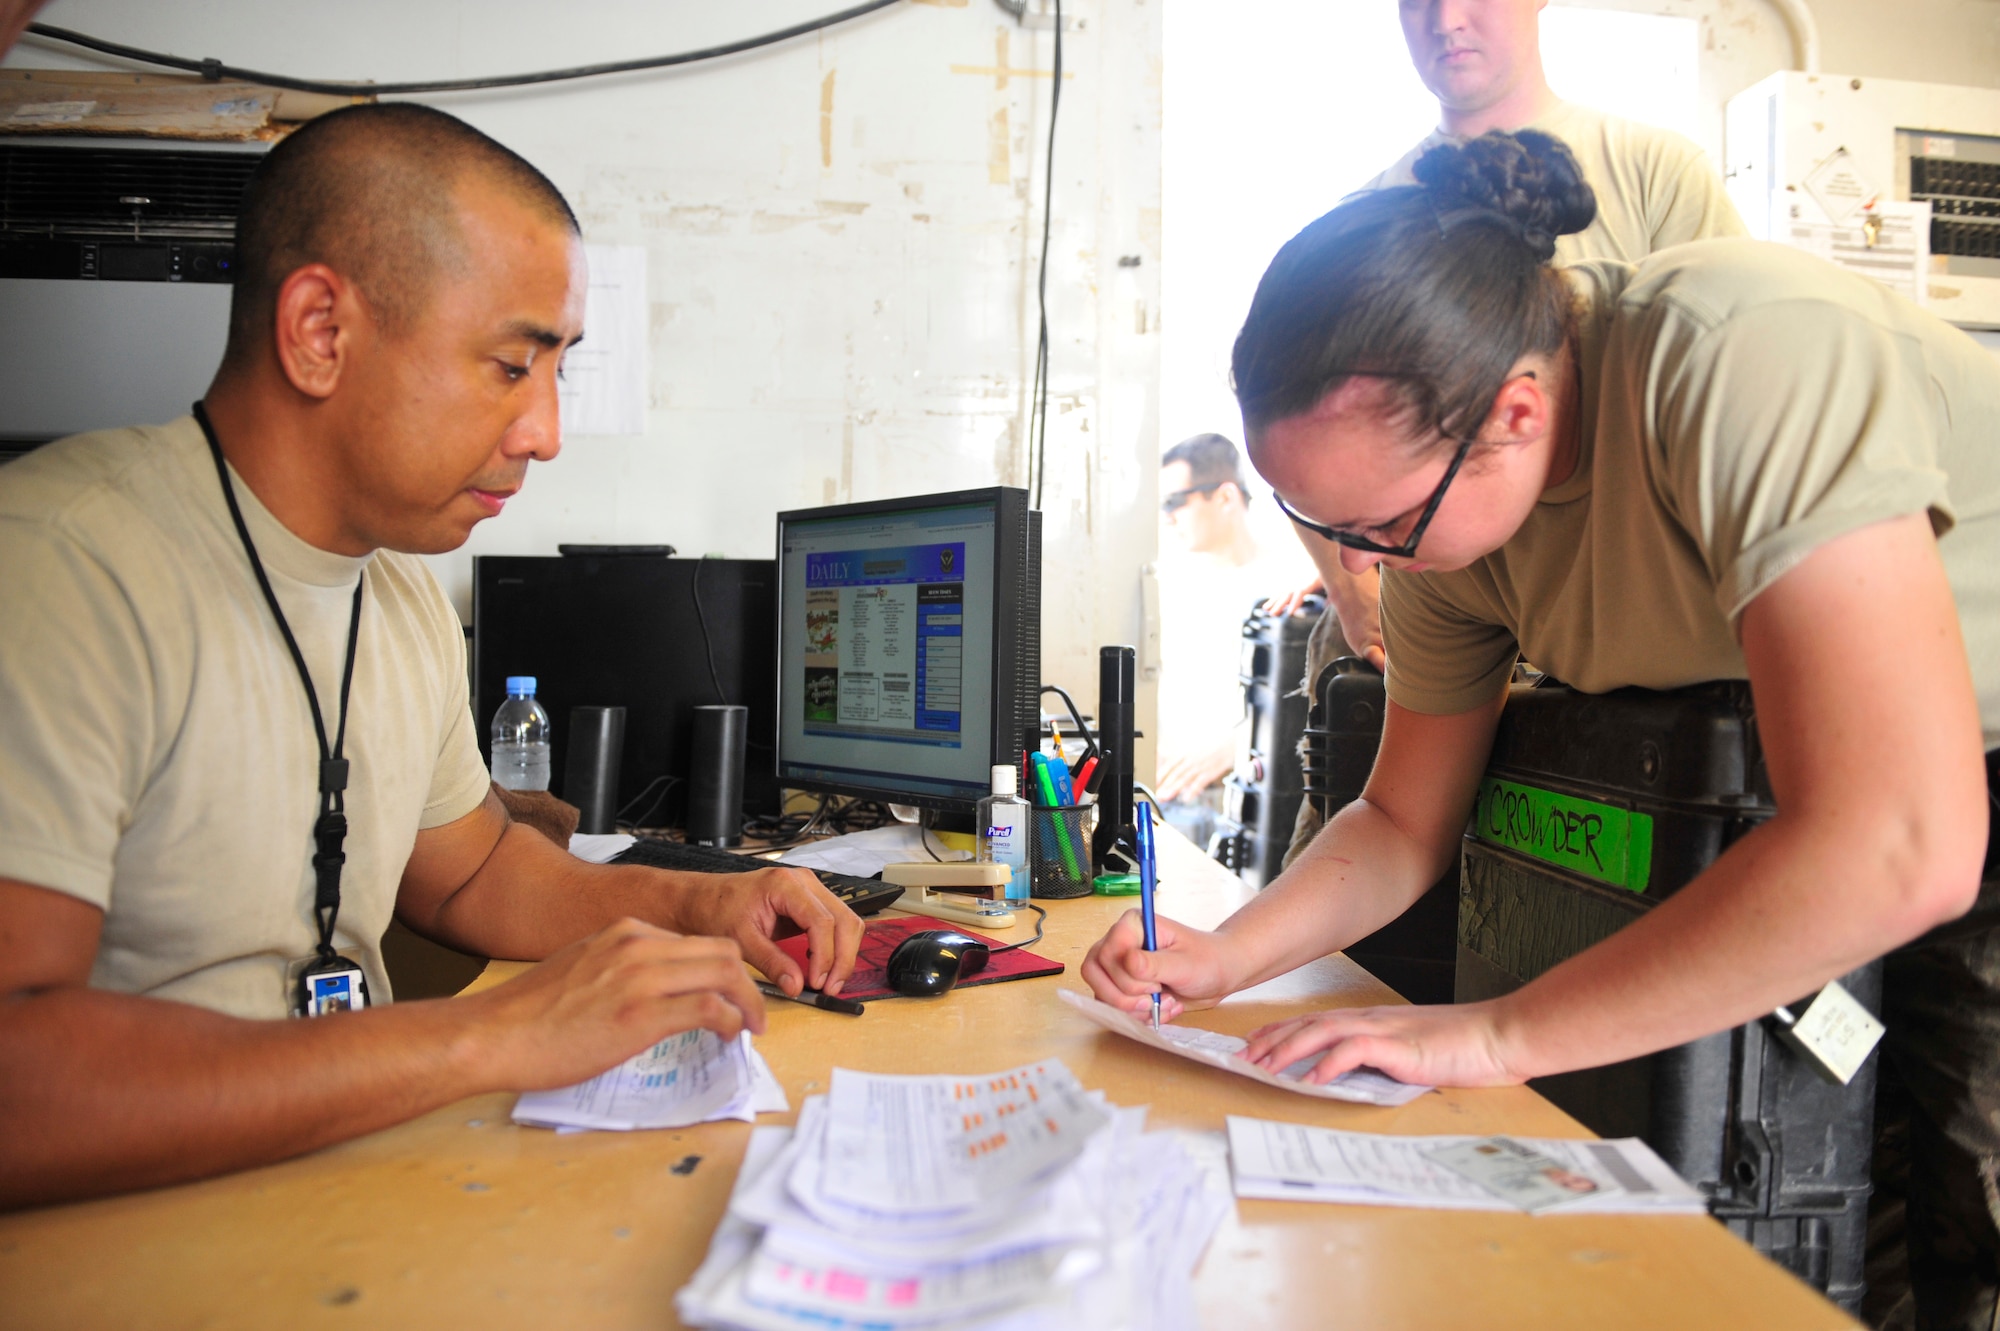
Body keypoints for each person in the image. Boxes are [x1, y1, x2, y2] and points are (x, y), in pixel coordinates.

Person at [1085, 131, 1999, 1328]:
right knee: (1827, 1223)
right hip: (1804, 786)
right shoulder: (1451, 529)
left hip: (1955, 769)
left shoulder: (1738, 359)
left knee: (1970, 1216)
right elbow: (1405, 815)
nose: (1362, 562)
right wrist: (1229, 953)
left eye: (1381, 522)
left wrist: (1493, 1035)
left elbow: (1898, 841)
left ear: (1514, 409)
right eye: (1322, 522)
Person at [0, 104, 863, 1210]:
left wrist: (705, 906)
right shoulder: (63, 566)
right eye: (513, 365)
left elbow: (473, 869)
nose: (545, 431)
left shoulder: (395, 587)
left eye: (558, 374)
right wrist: (483, 1036)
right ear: (320, 330)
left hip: (340, 1180)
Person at [1274, 0, 1746, 870]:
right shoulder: (1372, 206)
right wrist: (1355, 574)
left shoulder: (1654, 177)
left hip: (1590, 596)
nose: (1446, 18)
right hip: (1448, 586)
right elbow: (1305, 435)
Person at [1154, 434, 1293, 842]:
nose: (1167, 517)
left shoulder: (1288, 586)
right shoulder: (1166, 585)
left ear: (1226, 497)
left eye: (1174, 502)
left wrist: (1237, 749)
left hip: (1247, 804)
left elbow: (1300, 703)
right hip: (1169, 803)